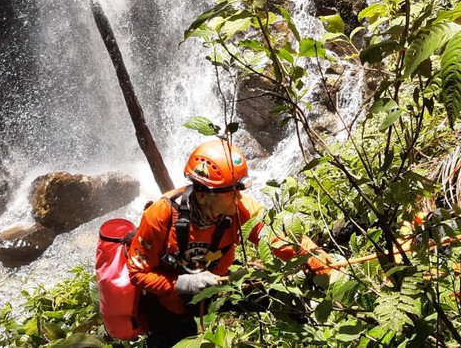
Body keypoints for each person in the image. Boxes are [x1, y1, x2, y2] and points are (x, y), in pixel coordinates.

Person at [128, 138, 330, 348]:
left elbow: (281, 238)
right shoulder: (161, 215)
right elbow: (137, 273)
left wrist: (326, 267)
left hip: (220, 286)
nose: (239, 197)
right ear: (203, 195)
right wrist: (184, 283)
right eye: (231, 191)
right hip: (171, 304)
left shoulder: (238, 209)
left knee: (283, 295)